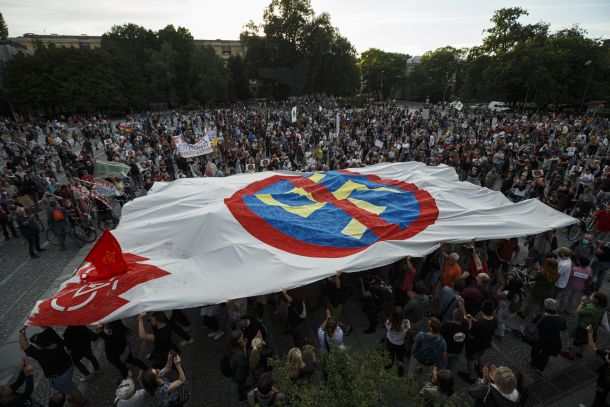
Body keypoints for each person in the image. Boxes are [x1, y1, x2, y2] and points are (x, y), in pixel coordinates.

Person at [18, 326, 87, 407]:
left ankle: (82, 402)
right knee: (69, 387)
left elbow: (24, 346)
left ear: (40, 346)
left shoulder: (42, 355)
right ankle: (72, 397)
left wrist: (22, 331)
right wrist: (38, 320)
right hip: (69, 367)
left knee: (72, 389)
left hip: (60, 377)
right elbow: (48, 329)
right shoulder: (57, 342)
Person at [459, 300, 498, 384]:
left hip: (474, 345)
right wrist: (473, 319)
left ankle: (471, 377)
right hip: (485, 344)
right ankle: (480, 370)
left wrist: (470, 323)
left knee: (471, 359)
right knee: (480, 355)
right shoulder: (495, 320)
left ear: (483, 309)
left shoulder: (480, 323)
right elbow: (484, 326)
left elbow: (471, 335)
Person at [561, 292, 608, 360]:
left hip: (583, 328)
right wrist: (586, 304)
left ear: (596, 300)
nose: (590, 296)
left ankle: (571, 355)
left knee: (576, 343)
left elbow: (578, 311)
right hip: (591, 329)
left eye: (592, 296)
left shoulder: (591, 309)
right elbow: (590, 308)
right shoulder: (601, 309)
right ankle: (580, 353)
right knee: (584, 342)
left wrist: (582, 303)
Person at [527, 298, 566, 373]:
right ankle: (540, 368)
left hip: (539, 338)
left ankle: (534, 363)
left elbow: (533, 325)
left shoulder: (540, 315)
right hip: (552, 340)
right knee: (546, 354)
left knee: (536, 349)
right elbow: (562, 330)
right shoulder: (561, 319)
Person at [409, 317, 448, 391]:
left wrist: (412, 355)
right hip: (430, 364)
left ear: (431, 328)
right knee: (425, 379)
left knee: (412, 375)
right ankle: (421, 391)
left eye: (428, 324)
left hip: (417, 360)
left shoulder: (421, 335)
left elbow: (413, 348)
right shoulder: (442, 342)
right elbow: (444, 357)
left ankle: (410, 389)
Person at [585, 324, 610, 407]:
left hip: (603, 385)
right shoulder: (607, 355)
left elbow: (593, 347)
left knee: (599, 399)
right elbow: (593, 347)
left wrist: (589, 333)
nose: (607, 352)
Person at [440, 307, 469, 373]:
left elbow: (439, 337)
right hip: (457, 351)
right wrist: (462, 307)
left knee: (442, 366)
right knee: (450, 368)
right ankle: (447, 377)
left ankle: (441, 377)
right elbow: (466, 318)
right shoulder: (465, 324)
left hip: (445, 351)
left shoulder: (446, 326)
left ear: (453, 315)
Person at [384, 306, 410, 376]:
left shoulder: (388, 323)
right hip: (400, 344)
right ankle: (400, 372)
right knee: (400, 358)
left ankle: (388, 367)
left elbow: (387, 330)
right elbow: (408, 331)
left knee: (390, 356)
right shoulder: (406, 323)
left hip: (390, 343)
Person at [225, 330, 249, 402]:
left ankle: (242, 389)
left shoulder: (232, 347)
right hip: (240, 373)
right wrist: (245, 350)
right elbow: (244, 363)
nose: (243, 338)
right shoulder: (238, 354)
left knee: (241, 383)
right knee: (241, 384)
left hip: (237, 371)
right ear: (238, 340)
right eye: (242, 337)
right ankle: (241, 397)